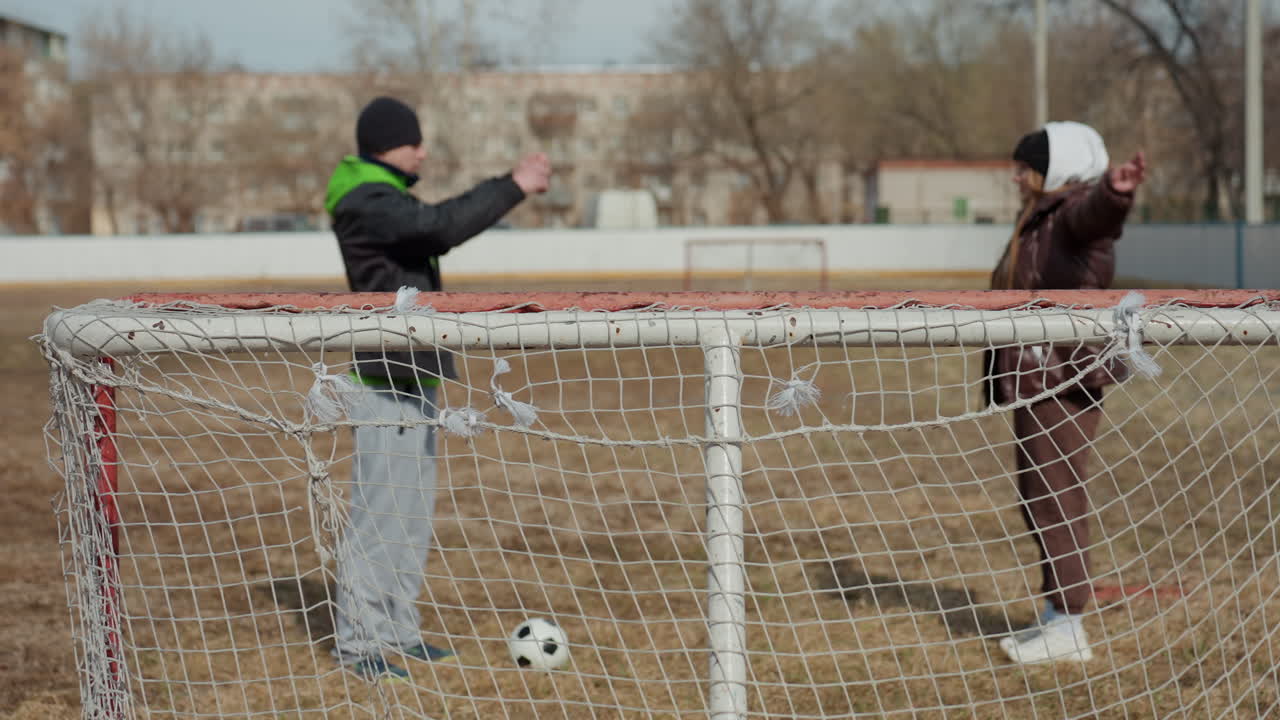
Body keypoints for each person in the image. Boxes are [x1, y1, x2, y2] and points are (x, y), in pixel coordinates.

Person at [323, 96, 550, 680]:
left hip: (413, 374)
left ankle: (398, 630)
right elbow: (439, 228)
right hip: (381, 377)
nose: (423, 149)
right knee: (379, 514)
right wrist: (513, 185)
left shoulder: (384, 193)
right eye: (414, 140)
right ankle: (359, 644)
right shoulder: (364, 198)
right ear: (385, 143)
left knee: (411, 513)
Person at [985, 121, 1147, 664]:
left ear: (1057, 169)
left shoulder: (1073, 215)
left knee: (1055, 497)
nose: (1015, 176)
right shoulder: (1039, 219)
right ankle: (1058, 616)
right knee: (1039, 494)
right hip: (1036, 377)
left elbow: (1097, 218)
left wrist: (1115, 194)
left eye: (1025, 167)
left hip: (1063, 376)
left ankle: (1069, 624)